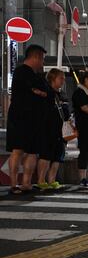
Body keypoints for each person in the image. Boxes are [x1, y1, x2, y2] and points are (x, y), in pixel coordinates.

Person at [6, 44, 48, 194]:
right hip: (20, 116)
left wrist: (40, 92)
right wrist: (39, 92)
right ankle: (13, 184)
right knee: (18, 150)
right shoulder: (21, 72)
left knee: (31, 151)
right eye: (42, 59)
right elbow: (38, 92)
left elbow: (44, 93)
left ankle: (26, 183)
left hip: (33, 118)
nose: (42, 63)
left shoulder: (36, 76)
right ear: (35, 57)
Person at [35, 68, 70, 190]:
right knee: (46, 155)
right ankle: (41, 180)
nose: (63, 81)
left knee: (57, 156)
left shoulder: (61, 94)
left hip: (60, 130)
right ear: (52, 78)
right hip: (48, 129)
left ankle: (52, 180)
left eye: (64, 79)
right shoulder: (47, 93)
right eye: (61, 78)